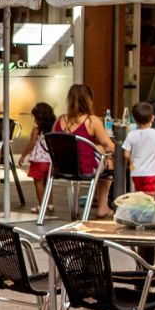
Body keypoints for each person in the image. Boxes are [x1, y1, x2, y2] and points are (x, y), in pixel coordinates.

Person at [56, 83, 114, 217]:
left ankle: (94, 200)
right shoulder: (92, 121)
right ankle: (103, 206)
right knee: (109, 161)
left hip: (62, 168)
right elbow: (108, 145)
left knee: (100, 155)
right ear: (88, 100)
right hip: (84, 168)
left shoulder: (59, 120)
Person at [121, 100, 155, 198]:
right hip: (151, 172)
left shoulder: (131, 135)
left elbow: (126, 154)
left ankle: (140, 212)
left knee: (139, 195)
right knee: (149, 198)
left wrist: (131, 162)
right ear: (153, 118)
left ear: (135, 120)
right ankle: (149, 213)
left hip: (136, 172)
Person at [20, 101, 56, 205]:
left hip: (38, 162)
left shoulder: (36, 131)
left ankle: (41, 205)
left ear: (39, 119)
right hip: (50, 162)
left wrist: (23, 155)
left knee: (39, 183)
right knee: (48, 183)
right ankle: (50, 204)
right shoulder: (52, 130)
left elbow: (31, 144)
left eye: (35, 117)